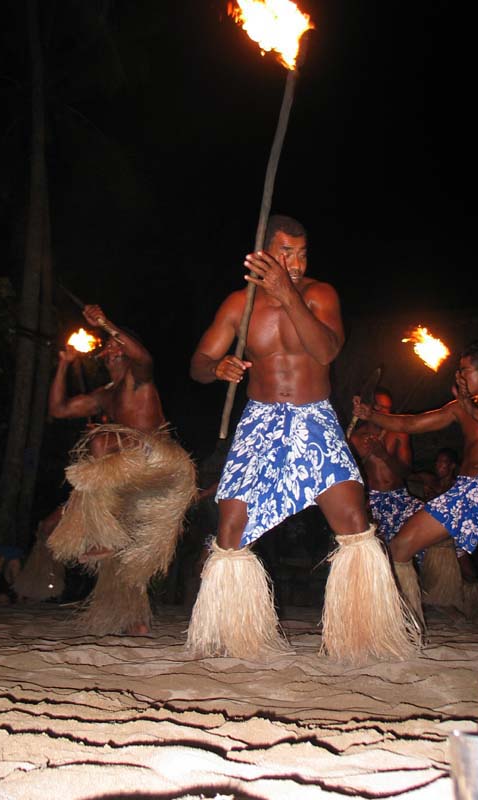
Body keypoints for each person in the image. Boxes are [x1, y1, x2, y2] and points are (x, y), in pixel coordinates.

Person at [186, 214, 419, 663]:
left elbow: (327, 350)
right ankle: (237, 636)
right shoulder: (239, 304)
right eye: (286, 251)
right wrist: (216, 368)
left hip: (315, 419)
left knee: (352, 519)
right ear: (264, 251)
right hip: (260, 421)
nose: (295, 261)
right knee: (231, 526)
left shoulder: (318, 294)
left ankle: (366, 634)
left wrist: (287, 292)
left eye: (302, 251)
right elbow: (198, 361)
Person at [353, 339, 478, 636]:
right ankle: (402, 623)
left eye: (464, 371)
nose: (460, 377)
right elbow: (413, 424)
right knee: (401, 546)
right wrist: (371, 415)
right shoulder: (460, 408)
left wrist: (472, 411)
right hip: (463, 493)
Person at [46, 303, 197, 636]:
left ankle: (103, 531)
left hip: (158, 460)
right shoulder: (104, 395)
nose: (113, 350)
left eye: (119, 345)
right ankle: (135, 620)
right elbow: (58, 409)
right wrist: (64, 365)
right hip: (131, 479)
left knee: (99, 442)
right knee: (121, 559)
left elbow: (144, 357)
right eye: (109, 348)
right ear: (102, 359)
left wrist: (106, 324)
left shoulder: (138, 380)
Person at [348, 386, 423, 547]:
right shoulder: (355, 439)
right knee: (378, 549)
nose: (383, 412)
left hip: (400, 498)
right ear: (369, 407)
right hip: (373, 502)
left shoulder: (398, 433)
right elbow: (351, 478)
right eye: (379, 407)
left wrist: (384, 455)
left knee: (427, 531)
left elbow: (406, 472)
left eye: (387, 408)